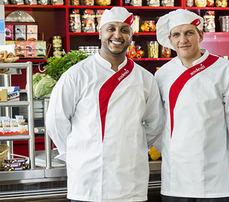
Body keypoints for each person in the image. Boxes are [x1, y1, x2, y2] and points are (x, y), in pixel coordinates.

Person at [46, 7, 164, 202]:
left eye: (124, 30)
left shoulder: (145, 78)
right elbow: (55, 122)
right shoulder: (76, 75)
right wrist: (79, 152)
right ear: (100, 33)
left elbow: (155, 123)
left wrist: (131, 146)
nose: (117, 35)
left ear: (131, 36)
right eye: (111, 29)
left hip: (130, 179)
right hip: (87, 180)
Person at [154, 9, 229, 201]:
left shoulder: (223, 69)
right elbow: (156, 121)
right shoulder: (162, 75)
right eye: (177, 35)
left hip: (214, 173)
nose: (183, 40)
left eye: (189, 33)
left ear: (201, 35)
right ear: (170, 40)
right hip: (175, 175)